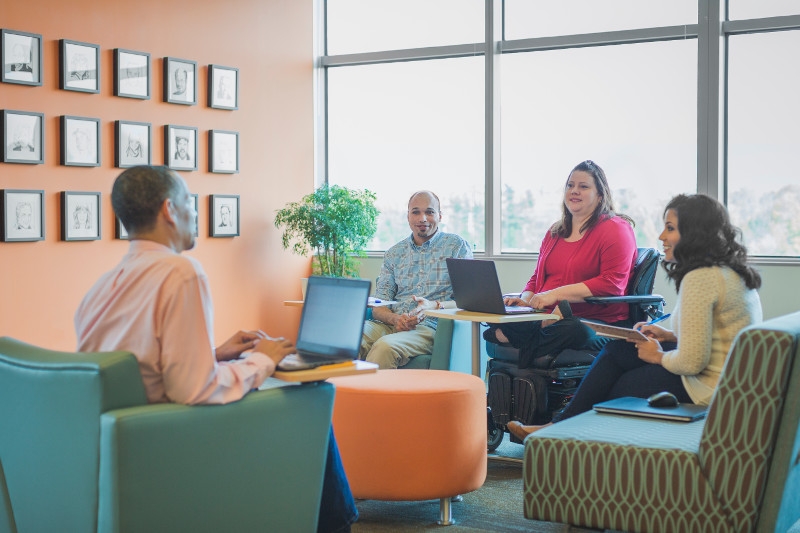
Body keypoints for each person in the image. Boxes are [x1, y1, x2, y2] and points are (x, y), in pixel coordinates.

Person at [74, 165, 357, 533]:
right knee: (312, 392)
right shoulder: (181, 272)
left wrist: (215, 353)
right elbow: (195, 390)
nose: (195, 214)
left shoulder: (104, 283)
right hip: (172, 436)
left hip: (128, 434)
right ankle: (335, 525)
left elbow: (138, 361)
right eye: (189, 202)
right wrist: (262, 360)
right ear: (169, 211)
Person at [507, 193, 763, 440]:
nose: (662, 236)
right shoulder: (729, 272)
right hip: (723, 380)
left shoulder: (701, 278)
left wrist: (658, 356)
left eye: (670, 228)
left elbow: (692, 362)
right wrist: (667, 334)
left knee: (617, 390)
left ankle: (563, 438)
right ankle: (557, 428)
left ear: (695, 233)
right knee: (618, 349)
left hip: (706, 386)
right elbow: (718, 336)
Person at [483, 160, 638, 369]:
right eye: (570, 185)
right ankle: (529, 329)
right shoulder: (555, 232)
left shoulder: (616, 229)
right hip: (547, 315)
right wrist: (525, 301)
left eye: (583, 187)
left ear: (600, 195)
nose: (574, 191)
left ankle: (510, 335)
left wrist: (554, 295)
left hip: (596, 321)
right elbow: (537, 277)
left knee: (574, 329)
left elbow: (612, 284)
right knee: (500, 312)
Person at [360, 190, 472, 369]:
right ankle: (339, 396)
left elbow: (468, 301)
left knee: (384, 347)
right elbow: (379, 307)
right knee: (348, 338)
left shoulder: (456, 247)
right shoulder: (394, 253)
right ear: (408, 217)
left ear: (440, 216)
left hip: (431, 327)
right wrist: (395, 319)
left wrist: (432, 305)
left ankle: (370, 398)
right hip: (392, 323)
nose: (423, 218)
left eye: (429, 212)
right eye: (416, 212)